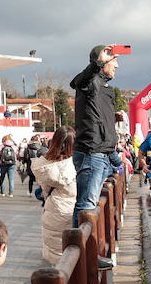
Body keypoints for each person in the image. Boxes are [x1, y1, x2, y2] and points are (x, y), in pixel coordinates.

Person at [69, 45, 121, 242]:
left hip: (101, 152)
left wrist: (112, 118)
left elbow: (94, 115)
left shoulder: (103, 86)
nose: (117, 65)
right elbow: (77, 82)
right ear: (101, 63)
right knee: (87, 204)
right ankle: (84, 252)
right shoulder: (91, 82)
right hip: (92, 152)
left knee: (88, 204)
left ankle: (85, 251)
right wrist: (98, 62)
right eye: (113, 61)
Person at [31, 127, 78, 265]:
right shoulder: (73, 166)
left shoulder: (45, 166)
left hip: (52, 209)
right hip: (68, 211)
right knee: (71, 256)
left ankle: (58, 282)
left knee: (57, 258)